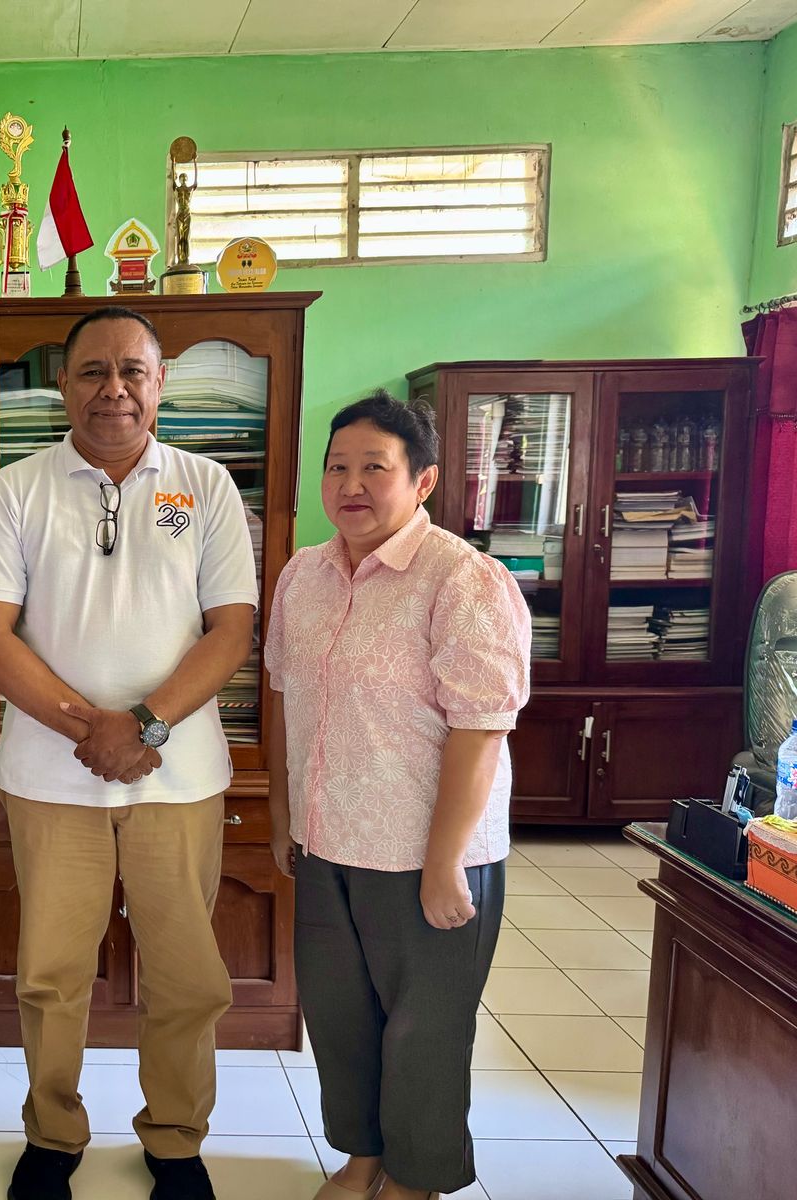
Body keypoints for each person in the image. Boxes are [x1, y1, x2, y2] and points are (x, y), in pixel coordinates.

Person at [0, 306, 257, 1200]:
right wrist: (89, 727)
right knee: (51, 977)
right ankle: (53, 1138)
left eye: (133, 370)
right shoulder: (15, 489)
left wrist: (147, 726)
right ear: (64, 383)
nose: (114, 389)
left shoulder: (206, 486)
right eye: (93, 371)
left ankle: (175, 1141)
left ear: (160, 380)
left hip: (179, 780)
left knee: (186, 977)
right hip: (52, 779)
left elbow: (231, 630)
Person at [263, 392, 531, 1200]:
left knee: (425, 1031)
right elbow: (286, 695)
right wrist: (283, 816)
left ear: (422, 481)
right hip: (326, 841)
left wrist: (446, 862)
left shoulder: (465, 579)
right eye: (337, 466)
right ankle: (363, 1156)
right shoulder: (303, 574)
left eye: (374, 467)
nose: (351, 483)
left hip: (425, 853)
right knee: (341, 1023)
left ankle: (415, 1178)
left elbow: (481, 727)